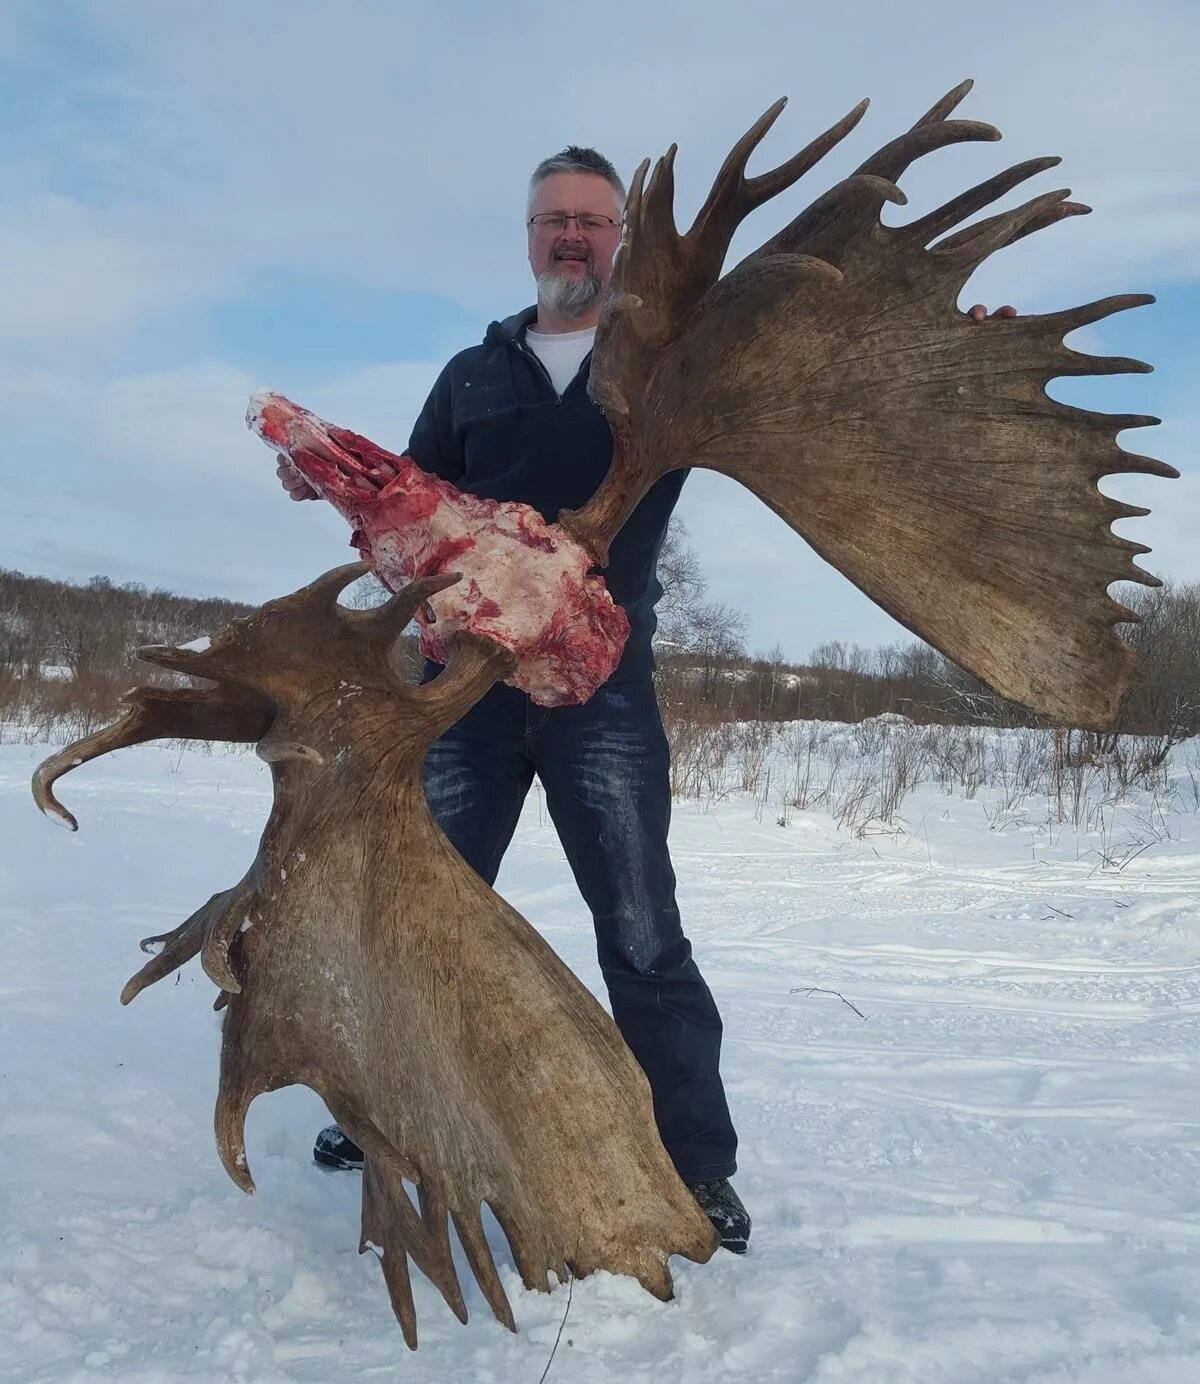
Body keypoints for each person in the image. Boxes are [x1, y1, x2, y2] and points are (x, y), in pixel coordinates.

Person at [279, 143, 1015, 1257]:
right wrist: (325, 473)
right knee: (422, 901)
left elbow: (809, 367)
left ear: (618, 238)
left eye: (591, 219)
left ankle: (695, 1160)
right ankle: (381, 1110)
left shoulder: (668, 359)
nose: (571, 236)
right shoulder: (471, 374)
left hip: (601, 697)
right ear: (528, 238)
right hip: (462, 695)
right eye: (553, 220)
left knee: (641, 929)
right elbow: (412, 498)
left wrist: (934, 360)